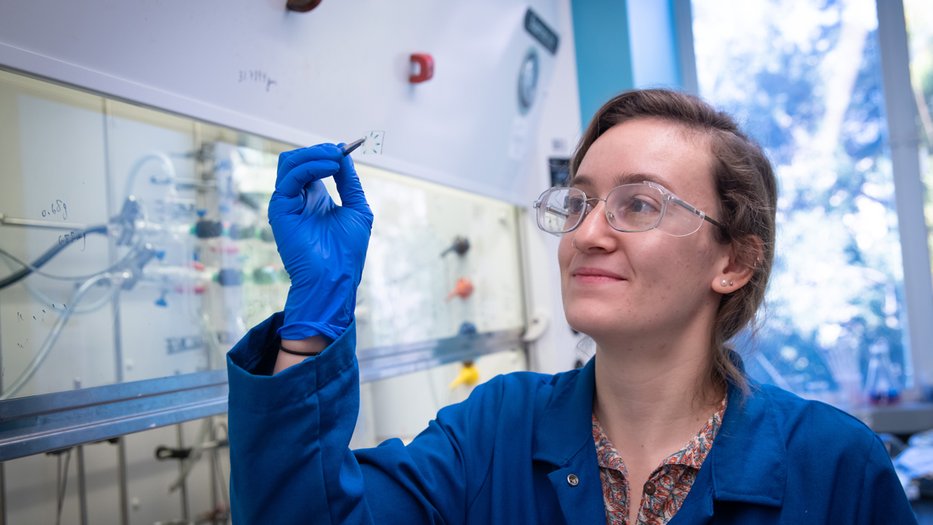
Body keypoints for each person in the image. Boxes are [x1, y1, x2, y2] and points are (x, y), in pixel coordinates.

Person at [226, 89, 917, 524]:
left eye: (638, 204)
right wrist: (310, 325)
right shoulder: (491, 431)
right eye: (579, 201)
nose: (586, 232)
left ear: (732, 260)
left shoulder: (833, 466)